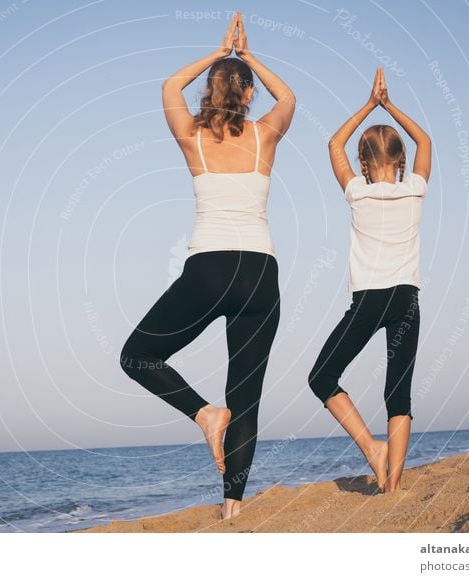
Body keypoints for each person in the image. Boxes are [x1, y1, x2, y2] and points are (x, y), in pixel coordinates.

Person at [120, 12, 295, 519]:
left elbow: (171, 82)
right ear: (247, 96)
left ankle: (203, 414)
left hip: (210, 270)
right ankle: (232, 511)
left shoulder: (192, 137)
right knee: (247, 394)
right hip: (262, 273)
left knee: (138, 355)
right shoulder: (265, 135)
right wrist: (248, 56)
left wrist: (221, 54)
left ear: (211, 91)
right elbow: (288, 98)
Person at [307, 67, 431, 493]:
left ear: (362, 164)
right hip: (407, 301)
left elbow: (333, 143)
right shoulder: (414, 188)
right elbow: (426, 142)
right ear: (401, 162)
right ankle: (393, 484)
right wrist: (390, 104)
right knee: (399, 392)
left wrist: (369, 104)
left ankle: (372, 450)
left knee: (322, 377)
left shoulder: (357, 192)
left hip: (369, 301)